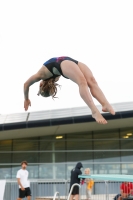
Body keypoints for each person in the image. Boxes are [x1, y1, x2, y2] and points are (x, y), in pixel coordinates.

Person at [24, 56, 115, 124]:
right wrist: (27, 98)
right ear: (41, 84)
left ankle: (105, 104)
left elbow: (26, 84)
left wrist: (26, 99)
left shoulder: (41, 75)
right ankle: (94, 111)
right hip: (66, 62)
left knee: (91, 81)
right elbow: (26, 85)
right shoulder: (45, 77)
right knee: (83, 82)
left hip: (67, 62)